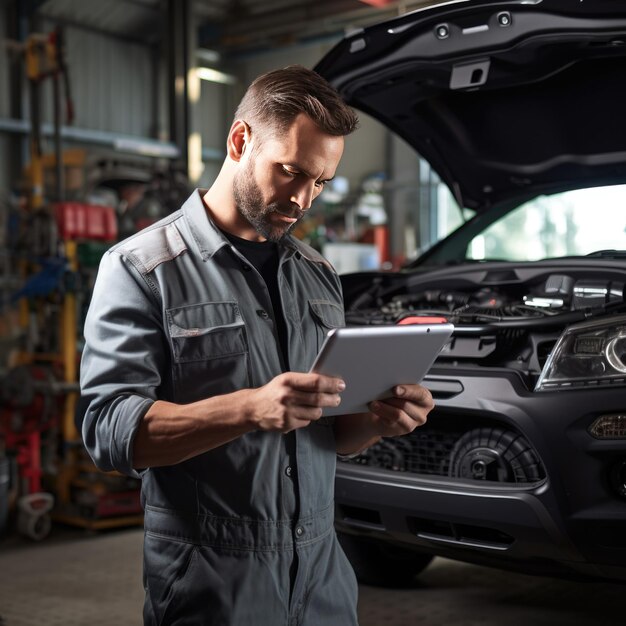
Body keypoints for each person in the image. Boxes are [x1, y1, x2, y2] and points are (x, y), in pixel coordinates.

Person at [79, 65, 434, 626]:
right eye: (290, 172)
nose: (302, 199)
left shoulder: (318, 275)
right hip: (212, 583)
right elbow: (110, 432)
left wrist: (379, 421)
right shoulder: (141, 268)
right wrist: (250, 409)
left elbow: (331, 437)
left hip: (322, 581)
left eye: (319, 183)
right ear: (241, 140)